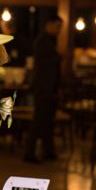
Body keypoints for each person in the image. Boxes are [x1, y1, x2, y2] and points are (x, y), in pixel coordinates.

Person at [24, 15, 62, 163]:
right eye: (58, 26)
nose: (59, 30)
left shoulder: (49, 41)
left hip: (49, 87)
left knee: (48, 121)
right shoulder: (42, 41)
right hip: (43, 87)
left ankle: (48, 150)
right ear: (49, 24)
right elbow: (46, 66)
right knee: (39, 120)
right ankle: (29, 152)